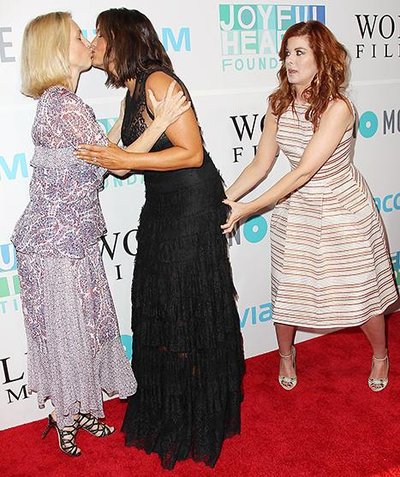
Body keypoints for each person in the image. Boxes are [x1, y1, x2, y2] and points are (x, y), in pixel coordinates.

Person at [12, 11, 188, 457]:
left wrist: (123, 121)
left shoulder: (61, 104)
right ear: (58, 50)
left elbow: (98, 157)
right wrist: (160, 122)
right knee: (68, 331)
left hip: (68, 239)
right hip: (56, 244)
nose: (88, 42)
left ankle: (79, 406)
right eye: (78, 36)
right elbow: (117, 165)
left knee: (81, 327)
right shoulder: (64, 105)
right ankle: (64, 416)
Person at [75, 7, 245, 470]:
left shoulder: (159, 82)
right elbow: (120, 164)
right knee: (158, 300)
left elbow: (191, 154)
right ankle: (171, 405)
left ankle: (196, 412)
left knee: (186, 302)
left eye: (100, 35)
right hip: (162, 205)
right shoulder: (132, 90)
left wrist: (123, 157)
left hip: (191, 205)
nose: (93, 42)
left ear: (122, 40)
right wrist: (115, 153)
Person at [221, 20, 398, 392]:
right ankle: (286, 355)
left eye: (299, 53)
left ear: (322, 58)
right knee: (288, 289)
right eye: (287, 53)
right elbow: (261, 164)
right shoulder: (278, 103)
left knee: (362, 290)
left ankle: (381, 355)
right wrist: (224, 200)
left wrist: (247, 209)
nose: (290, 61)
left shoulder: (339, 108)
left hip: (343, 208)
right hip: (296, 211)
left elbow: (303, 171)